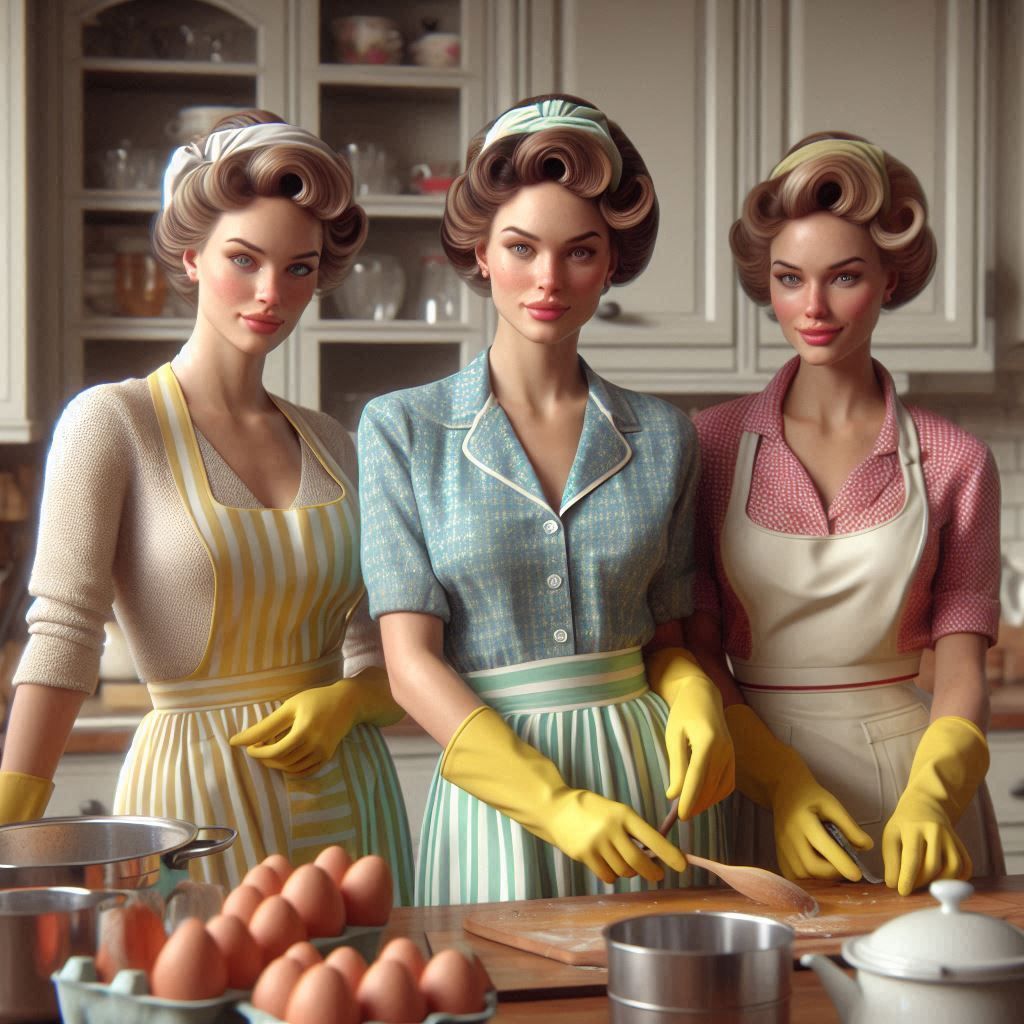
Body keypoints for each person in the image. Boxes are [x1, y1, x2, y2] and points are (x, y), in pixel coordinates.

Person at [0, 110, 414, 897]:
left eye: (299, 268)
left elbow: (380, 650)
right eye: (243, 259)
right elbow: (64, 635)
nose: (271, 294)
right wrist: (11, 826)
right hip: (193, 805)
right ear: (190, 256)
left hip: (350, 796)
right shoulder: (115, 422)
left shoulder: (334, 441)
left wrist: (348, 702)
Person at [358, 95, 735, 905]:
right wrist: (554, 805)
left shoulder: (667, 435)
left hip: (649, 779)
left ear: (612, 264)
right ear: (481, 255)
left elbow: (666, 636)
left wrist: (695, 690)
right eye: (521, 247)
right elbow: (409, 663)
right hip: (501, 789)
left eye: (581, 252)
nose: (549, 280)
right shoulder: (402, 429)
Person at [689, 131, 1001, 895]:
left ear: (891, 280)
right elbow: (695, 649)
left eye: (846, 277)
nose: (814, 307)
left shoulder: (957, 460)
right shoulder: (710, 445)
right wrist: (779, 781)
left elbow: (962, 667)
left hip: (912, 775)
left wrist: (933, 795)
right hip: (754, 774)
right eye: (790, 279)